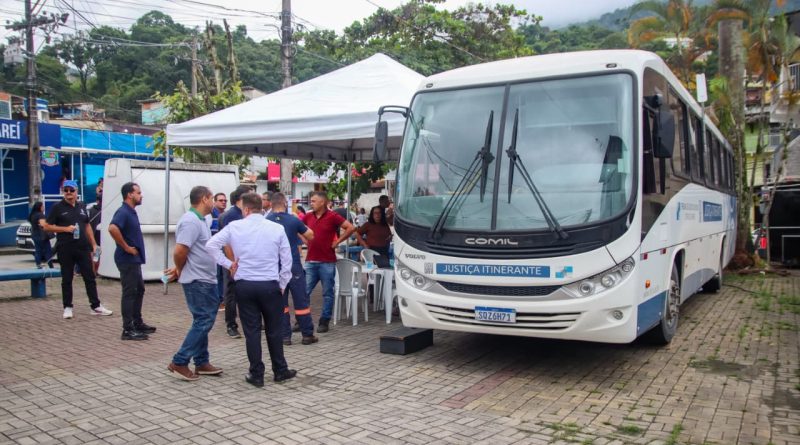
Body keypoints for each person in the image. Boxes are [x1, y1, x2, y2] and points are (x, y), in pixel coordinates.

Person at [207, 192, 296, 387]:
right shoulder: (276, 228)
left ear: (244, 209)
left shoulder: (235, 226)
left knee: (252, 331)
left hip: (245, 284)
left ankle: (256, 373)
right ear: (263, 208)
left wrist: (228, 264)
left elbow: (211, 245)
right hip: (270, 284)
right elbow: (287, 260)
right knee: (274, 329)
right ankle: (280, 370)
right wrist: (282, 284)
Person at [165, 186, 224, 381]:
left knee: (202, 320)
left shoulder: (200, 220)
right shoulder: (190, 221)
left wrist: (179, 268)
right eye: (212, 198)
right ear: (205, 199)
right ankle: (180, 361)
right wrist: (179, 268)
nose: (214, 203)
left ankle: (202, 361)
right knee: (204, 320)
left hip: (204, 278)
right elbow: (180, 251)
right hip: (198, 280)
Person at [42, 180, 113, 319]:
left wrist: (94, 244)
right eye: (66, 190)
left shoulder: (81, 206)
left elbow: (86, 226)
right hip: (65, 247)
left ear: (76, 192)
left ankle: (95, 306)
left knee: (90, 277)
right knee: (67, 278)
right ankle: (67, 307)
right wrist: (65, 229)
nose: (68, 193)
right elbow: (46, 226)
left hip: (82, 248)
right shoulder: (57, 207)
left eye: (71, 190)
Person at [303, 191, 358, 333]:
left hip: (327, 261)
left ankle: (324, 321)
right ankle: (302, 319)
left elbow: (351, 228)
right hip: (310, 260)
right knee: (304, 292)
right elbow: (298, 228)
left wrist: (337, 241)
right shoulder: (308, 216)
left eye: (314, 201)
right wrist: (304, 240)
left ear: (322, 202)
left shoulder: (333, 216)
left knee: (328, 292)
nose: (311, 203)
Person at [266, 192, 317, 346]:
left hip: (275, 266)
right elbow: (311, 235)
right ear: (285, 204)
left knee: (280, 302)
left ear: (271, 204)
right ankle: (307, 335)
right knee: (301, 299)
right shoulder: (293, 220)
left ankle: (284, 336)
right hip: (293, 265)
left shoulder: (266, 221)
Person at [108, 182, 154, 341]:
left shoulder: (131, 212)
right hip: (127, 259)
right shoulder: (123, 212)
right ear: (129, 194)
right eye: (138, 193)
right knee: (130, 292)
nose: (141, 196)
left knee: (139, 290)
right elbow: (112, 228)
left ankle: (137, 322)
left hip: (134, 260)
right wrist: (126, 247)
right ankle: (127, 329)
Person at [217, 185, 252, 339]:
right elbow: (227, 243)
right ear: (241, 198)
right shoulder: (230, 216)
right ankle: (231, 325)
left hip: (245, 260)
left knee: (247, 292)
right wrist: (232, 263)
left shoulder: (245, 214)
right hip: (233, 262)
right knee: (231, 293)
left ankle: (250, 321)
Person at [210, 192, 227, 307]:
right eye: (220, 200)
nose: (223, 202)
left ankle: (222, 298)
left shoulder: (225, 215)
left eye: (225, 200)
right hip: (215, 250)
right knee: (216, 275)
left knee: (223, 274)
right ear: (215, 201)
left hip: (224, 250)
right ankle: (217, 298)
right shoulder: (210, 215)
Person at [28, 202, 54, 269]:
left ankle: (38, 265)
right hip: (42, 236)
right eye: (43, 206)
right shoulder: (40, 215)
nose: (44, 208)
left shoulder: (32, 215)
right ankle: (51, 266)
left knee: (38, 251)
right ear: (40, 207)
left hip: (35, 235)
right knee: (48, 251)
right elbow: (43, 225)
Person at [88, 179, 103, 273]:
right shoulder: (101, 211)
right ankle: (94, 272)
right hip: (97, 238)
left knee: (94, 256)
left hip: (93, 236)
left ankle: (94, 271)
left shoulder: (91, 210)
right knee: (96, 256)